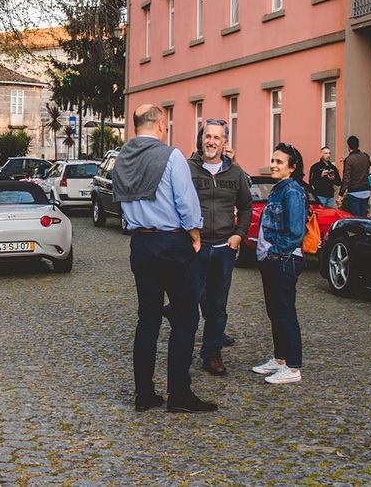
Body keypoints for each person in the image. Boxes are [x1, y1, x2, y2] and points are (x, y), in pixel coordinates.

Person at [112, 104, 216, 414]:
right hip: (171, 243)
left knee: (148, 319)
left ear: (135, 126)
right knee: (185, 317)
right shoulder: (171, 156)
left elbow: (119, 200)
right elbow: (186, 202)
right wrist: (195, 234)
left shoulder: (122, 159)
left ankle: (144, 394)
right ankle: (179, 393)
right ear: (160, 125)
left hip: (141, 243)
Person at [188, 119, 253, 376]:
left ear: (225, 142)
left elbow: (246, 207)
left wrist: (239, 235)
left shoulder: (235, 173)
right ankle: (182, 350)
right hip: (195, 247)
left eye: (217, 137)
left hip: (224, 248)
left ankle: (211, 354)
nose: (211, 141)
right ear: (201, 139)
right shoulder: (188, 169)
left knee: (217, 305)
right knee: (188, 302)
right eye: (208, 136)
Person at [251, 142, 307, 385]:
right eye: (273, 160)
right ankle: (280, 359)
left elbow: (295, 232)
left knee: (285, 313)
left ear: (292, 168)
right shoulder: (278, 188)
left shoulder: (292, 191)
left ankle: (293, 367)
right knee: (275, 312)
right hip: (272, 259)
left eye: (279, 162)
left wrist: (274, 253)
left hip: (284, 259)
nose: (273, 165)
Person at [339, 135, 371, 217]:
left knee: (354, 218)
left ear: (348, 146)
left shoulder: (349, 159)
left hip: (354, 192)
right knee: (364, 218)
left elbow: (346, 179)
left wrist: (341, 194)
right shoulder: (365, 156)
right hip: (366, 192)